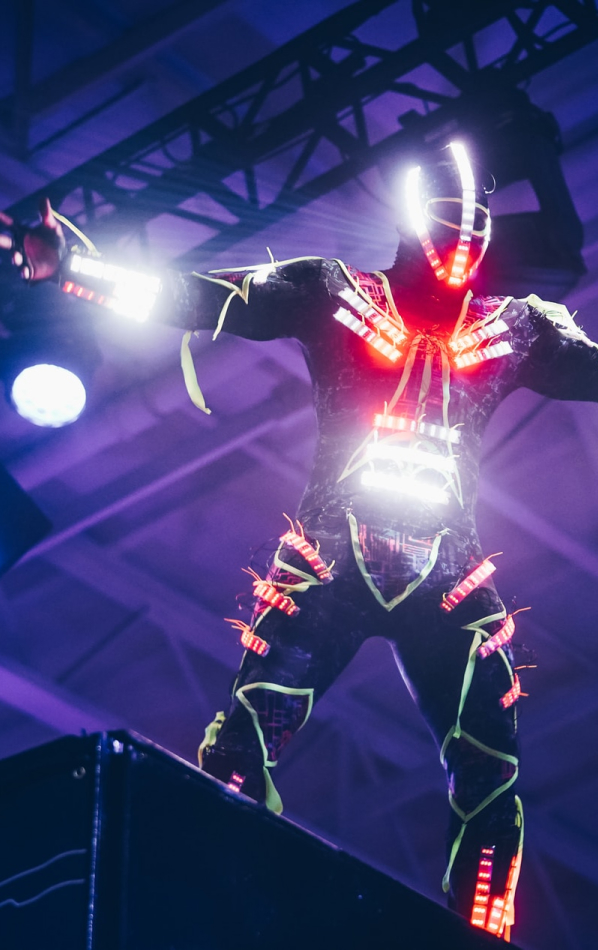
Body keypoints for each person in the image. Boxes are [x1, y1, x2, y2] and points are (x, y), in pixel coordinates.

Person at [3, 143, 597, 939]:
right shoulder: (334, 291)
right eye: (448, 219)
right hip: (332, 565)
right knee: (242, 749)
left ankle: (481, 934)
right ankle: (210, 910)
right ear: (412, 219)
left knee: (489, 774)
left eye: (474, 223)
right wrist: (80, 268)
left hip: (444, 579)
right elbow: (202, 296)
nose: (461, 238)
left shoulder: (515, 326)